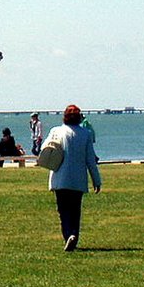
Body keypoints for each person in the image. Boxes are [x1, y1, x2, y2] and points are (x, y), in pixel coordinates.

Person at [46, 104, 102, 252]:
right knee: (75, 210)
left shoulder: (56, 131)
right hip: (78, 179)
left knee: (63, 210)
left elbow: (44, 150)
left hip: (60, 177)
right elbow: (90, 159)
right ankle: (74, 235)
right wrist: (96, 180)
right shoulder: (85, 134)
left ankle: (68, 235)